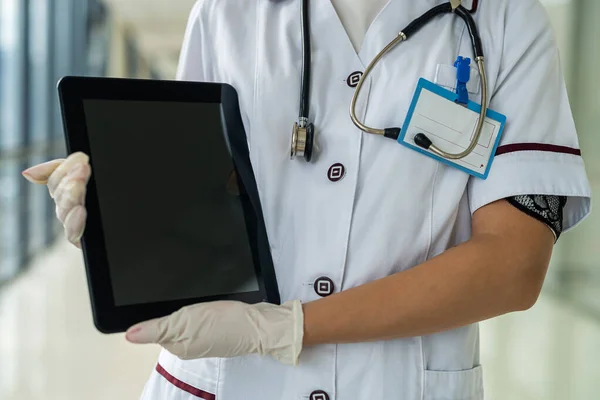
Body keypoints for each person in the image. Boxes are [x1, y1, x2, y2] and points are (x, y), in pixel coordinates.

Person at [22, 0, 592, 399]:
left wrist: (286, 328)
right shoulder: (225, 12)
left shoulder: (502, 17)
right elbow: (200, 206)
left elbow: (513, 265)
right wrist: (115, 210)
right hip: (231, 384)